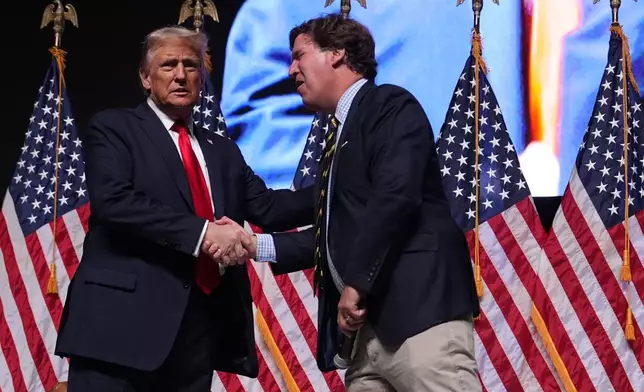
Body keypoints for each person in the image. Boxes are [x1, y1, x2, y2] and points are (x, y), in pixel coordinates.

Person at [227, 14, 481, 392]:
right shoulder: (340, 137)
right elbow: (333, 231)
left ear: (337, 54)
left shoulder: (390, 106)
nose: (291, 69)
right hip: (364, 340)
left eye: (299, 55)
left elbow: (395, 200)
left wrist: (356, 285)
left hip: (420, 319)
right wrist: (255, 244)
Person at [54, 26, 314, 392]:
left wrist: (338, 190)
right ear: (146, 78)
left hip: (196, 333)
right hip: (118, 332)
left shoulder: (220, 148)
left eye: (191, 66)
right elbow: (115, 202)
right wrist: (205, 233)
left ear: (202, 79)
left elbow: (269, 208)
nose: (180, 74)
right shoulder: (114, 128)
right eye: (168, 65)